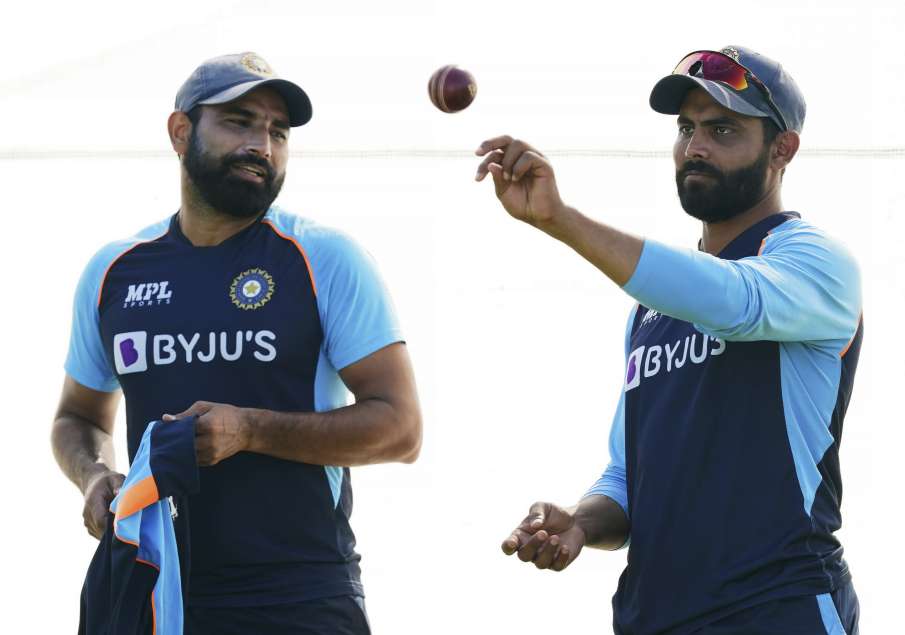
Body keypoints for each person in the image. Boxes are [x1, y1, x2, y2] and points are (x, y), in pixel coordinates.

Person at [476, 46, 861, 634]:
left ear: (782, 150)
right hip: (652, 617)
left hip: (778, 609)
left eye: (723, 129)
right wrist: (580, 521)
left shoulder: (811, 260)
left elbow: (738, 303)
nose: (695, 147)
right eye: (687, 128)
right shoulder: (652, 308)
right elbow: (628, 478)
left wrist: (563, 220)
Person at [52, 51, 422, 634]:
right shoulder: (114, 271)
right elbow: (78, 417)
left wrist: (250, 430)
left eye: (278, 131)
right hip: (156, 588)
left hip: (299, 595)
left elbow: (402, 430)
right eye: (240, 121)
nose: (263, 145)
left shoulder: (324, 258)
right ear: (181, 131)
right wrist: (95, 476)